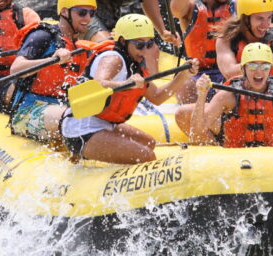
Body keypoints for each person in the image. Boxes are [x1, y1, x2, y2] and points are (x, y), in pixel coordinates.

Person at [61, 14, 199, 164]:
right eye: (139, 45)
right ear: (123, 42)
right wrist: (125, 84)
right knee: (145, 156)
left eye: (149, 44)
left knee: (149, 144)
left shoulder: (135, 64)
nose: (144, 50)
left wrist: (183, 76)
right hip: (81, 130)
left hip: (105, 123)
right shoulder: (113, 58)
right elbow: (99, 83)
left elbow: (157, 97)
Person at [176, 43, 273, 146]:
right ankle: (215, 146)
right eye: (253, 65)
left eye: (265, 66)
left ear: (271, 69)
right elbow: (197, 133)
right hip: (233, 149)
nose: (259, 71)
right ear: (243, 69)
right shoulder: (227, 95)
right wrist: (202, 95)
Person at [9, 0, 106, 140]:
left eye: (91, 13)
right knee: (73, 119)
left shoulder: (79, 46)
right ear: (65, 12)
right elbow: (15, 69)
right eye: (81, 12)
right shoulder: (42, 36)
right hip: (28, 111)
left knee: (99, 119)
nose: (87, 18)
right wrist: (51, 60)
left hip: (63, 107)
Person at [170, 0, 238, 104]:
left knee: (229, 88)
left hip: (228, 72)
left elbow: (262, 20)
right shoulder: (191, 6)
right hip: (196, 72)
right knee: (185, 87)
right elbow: (175, 9)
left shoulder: (238, 5)